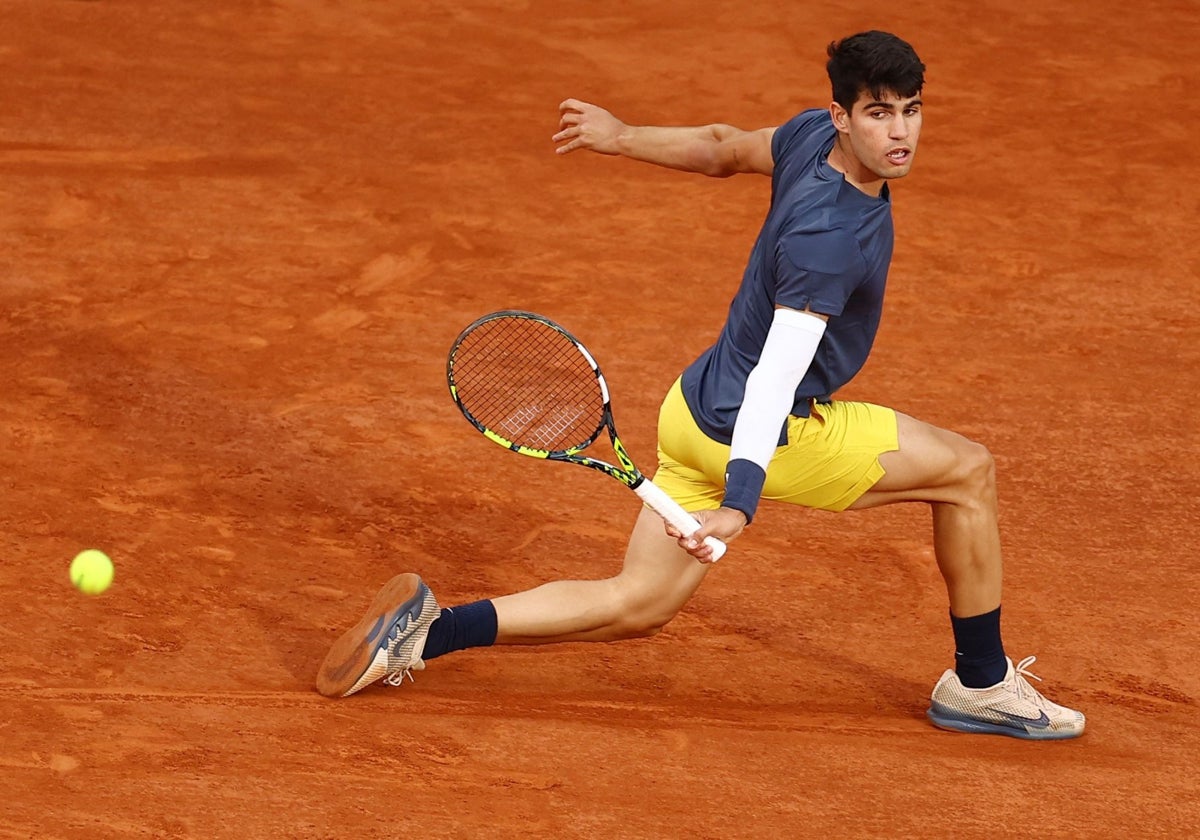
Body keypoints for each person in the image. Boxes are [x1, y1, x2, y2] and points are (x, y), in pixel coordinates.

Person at [316, 30, 1085, 740]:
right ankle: (980, 684)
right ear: (842, 115)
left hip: (693, 410)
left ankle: (426, 630)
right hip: (758, 433)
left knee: (635, 605)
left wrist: (620, 137)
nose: (901, 134)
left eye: (912, 112)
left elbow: (723, 147)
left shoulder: (808, 137)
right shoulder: (829, 242)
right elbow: (778, 378)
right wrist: (740, 504)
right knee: (967, 471)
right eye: (879, 114)